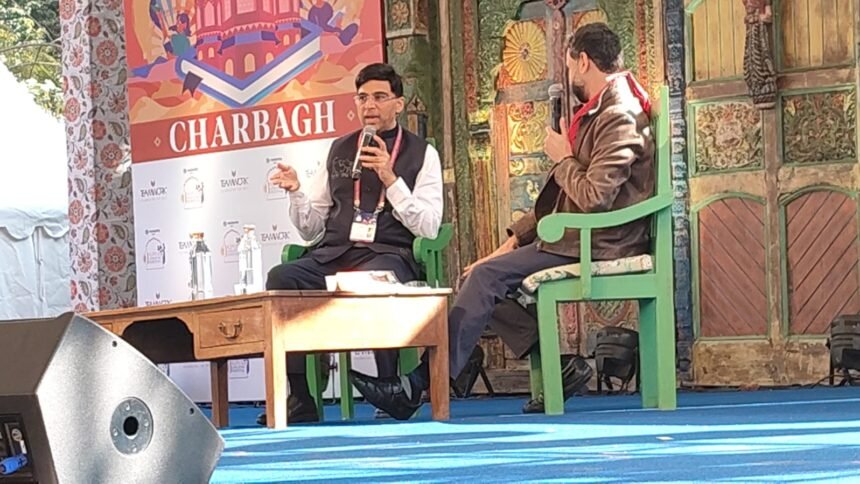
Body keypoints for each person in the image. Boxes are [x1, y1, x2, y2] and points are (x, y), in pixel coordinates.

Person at [350, 22, 656, 420]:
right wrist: (514, 240)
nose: (569, 76)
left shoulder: (618, 113)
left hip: (599, 240)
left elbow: (594, 198)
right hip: (576, 234)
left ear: (583, 61)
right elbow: (569, 198)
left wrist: (563, 158)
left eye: (569, 66)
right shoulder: (605, 107)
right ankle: (561, 367)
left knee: (485, 278)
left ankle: (419, 384)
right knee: (480, 273)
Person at [261, 63, 444, 424]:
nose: (369, 105)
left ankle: (390, 386)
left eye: (379, 97)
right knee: (281, 278)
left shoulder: (423, 153)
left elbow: (429, 225)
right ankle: (300, 396)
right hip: (333, 255)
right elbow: (311, 229)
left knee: (370, 282)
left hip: (388, 254)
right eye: (362, 98)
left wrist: (390, 179)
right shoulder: (340, 149)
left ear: (399, 104)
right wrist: (296, 192)